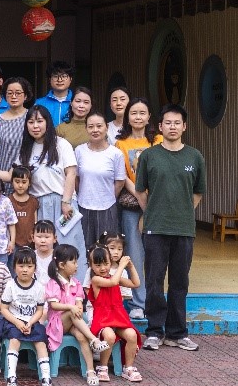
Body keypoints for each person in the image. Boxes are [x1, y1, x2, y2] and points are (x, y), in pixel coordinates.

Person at [136, 104, 206, 353]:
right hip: (155, 228)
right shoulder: (149, 156)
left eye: (177, 123)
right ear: (160, 126)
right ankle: (154, 331)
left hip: (184, 229)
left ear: (184, 126)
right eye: (168, 122)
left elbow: (198, 192)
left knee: (179, 282)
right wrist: (153, 212)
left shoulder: (195, 157)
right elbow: (140, 190)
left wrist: (182, 211)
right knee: (154, 281)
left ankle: (177, 333)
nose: (172, 127)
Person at [16, 105, 85, 257]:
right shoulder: (26, 148)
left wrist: (66, 202)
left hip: (63, 203)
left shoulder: (61, 144)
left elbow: (71, 173)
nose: (35, 126)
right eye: (31, 122)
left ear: (47, 122)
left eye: (40, 121)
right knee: (43, 249)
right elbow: (14, 174)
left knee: (69, 248)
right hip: (39, 204)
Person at [113, 97, 160, 319]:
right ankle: (138, 303)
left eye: (142, 113)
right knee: (134, 253)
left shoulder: (158, 140)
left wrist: (151, 200)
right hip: (132, 204)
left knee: (156, 253)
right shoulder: (121, 144)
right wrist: (142, 198)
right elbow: (123, 176)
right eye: (134, 113)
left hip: (158, 204)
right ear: (127, 117)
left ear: (149, 116)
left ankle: (155, 301)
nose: (138, 117)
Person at [45, 244, 106, 386]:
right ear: (62, 265)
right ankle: (94, 340)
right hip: (57, 324)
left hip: (73, 322)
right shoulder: (53, 283)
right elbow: (54, 305)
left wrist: (77, 306)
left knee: (81, 336)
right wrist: (71, 307)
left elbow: (79, 302)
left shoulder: (76, 283)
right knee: (71, 312)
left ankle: (90, 371)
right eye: (73, 262)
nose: (77, 265)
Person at [0, 247, 53, 386]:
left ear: (35, 268)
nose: (25, 270)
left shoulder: (39, 287)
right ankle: (11, 378)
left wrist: (30, 323)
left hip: (32, 322)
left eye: (29, 266)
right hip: (12, 321)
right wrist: (17, 323)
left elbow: (40, 310)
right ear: (14, 267)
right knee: (14, 339)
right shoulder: (10, 285)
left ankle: (46, 378)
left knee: (41, 342)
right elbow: (4, 309)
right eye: (21, 266)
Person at [87, 245, 143, 381]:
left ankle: (128, 368)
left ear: (110, 262)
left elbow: (136, 283)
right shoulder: (96, 280)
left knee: (131, 334)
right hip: (103, 320)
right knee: (110, 336)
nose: (103, 268)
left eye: (106, 264)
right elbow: (113, 282)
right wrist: (121, 266)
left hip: (118, 318)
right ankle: (102, 366)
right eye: (98, 265)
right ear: (91, 266)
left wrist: (130, 266)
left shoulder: (114, 277)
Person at [74, 111, 126, 250]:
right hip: (83, 207)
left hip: (107, 208)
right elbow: (76, 178)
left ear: (106, 128)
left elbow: (120, 182)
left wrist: (107, 196)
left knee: (107, 249)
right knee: (85, 249)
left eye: (99, 126)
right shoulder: (79, 151)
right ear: (86, 129)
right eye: (91, 126)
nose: (95, 130)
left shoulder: (115, 153)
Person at [0, 76, 32, 190]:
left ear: (25, 96)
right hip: (2, 176)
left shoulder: (31, 118)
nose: (14, 96)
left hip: (27, 178)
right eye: (10, 93)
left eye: (18, 93)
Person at [34, 60, 74, 127]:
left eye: (64, 76)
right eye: (55, 76)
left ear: (70, 79)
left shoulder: (77, 101)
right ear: (50, 80)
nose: (59, 80)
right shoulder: (39, 103)